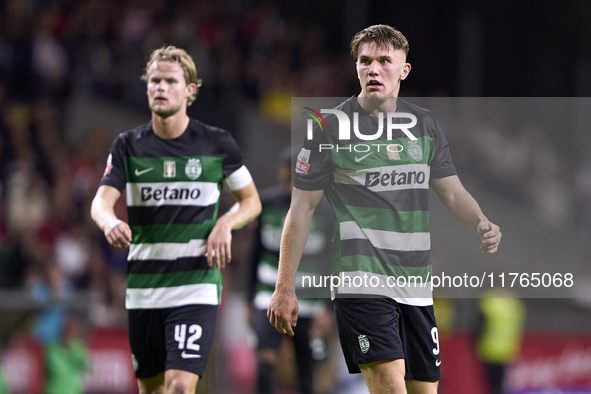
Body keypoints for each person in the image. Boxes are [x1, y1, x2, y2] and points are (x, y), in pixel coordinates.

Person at [267, 25, 502, 394]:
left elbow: (453, 195)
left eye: (384, 61)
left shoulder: (424, 125)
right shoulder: (327, 129)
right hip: (360, 283)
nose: (373, 69)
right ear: (356, 67)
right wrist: (285, 287)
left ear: (403, 70)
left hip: (416, 288)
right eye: (365, 61)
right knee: (392, 389)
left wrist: (481, 222)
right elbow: (300, 211)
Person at [91, 46, 261, 394]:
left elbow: (251, 201)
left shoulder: (216, 144)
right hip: (144, 290)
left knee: (180, 386)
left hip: (195, 285)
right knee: (152, 390)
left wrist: (226, 223)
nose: (161, 87)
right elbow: (100, 202)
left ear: (190, 90)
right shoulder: (128, 146)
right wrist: (109, 222)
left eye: (170, 81)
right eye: (155, 81)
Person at [247, 150, 332, 394]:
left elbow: (331, 260)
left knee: (306, 372)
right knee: (265, 363)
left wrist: (327, 306)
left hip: (310, 300)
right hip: (269, 295)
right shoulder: (268, 204)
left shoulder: (325, 210)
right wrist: (248, 300)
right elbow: (255, 251)